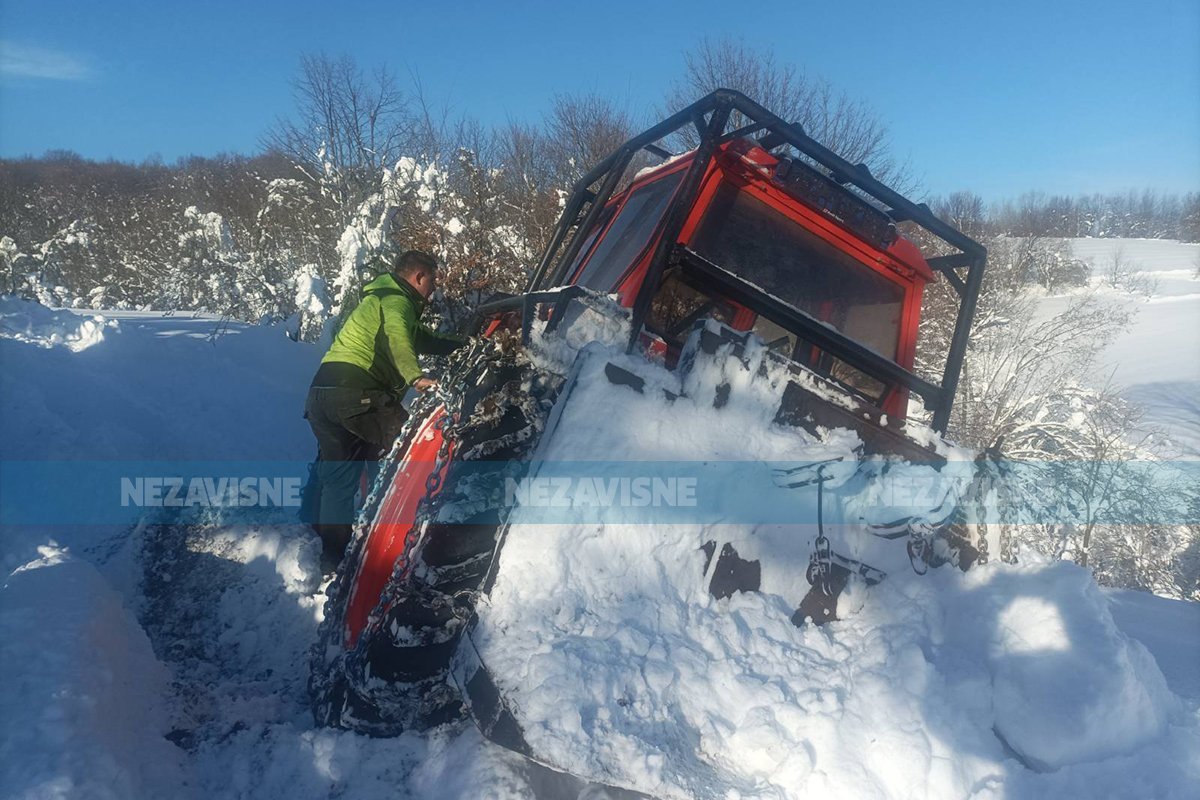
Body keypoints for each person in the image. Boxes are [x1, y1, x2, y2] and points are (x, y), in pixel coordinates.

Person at [303, 249, 468, 570]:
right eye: (432, 280)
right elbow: (398, 340)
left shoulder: (377, 301)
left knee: (339, 480)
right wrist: (414, 376)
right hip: (357, 393)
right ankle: (399, 546)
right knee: (412, 453)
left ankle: (330, 557)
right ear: (419, 277)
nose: (434, 288)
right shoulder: (397, 302)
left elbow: (421, 338)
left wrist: (464, 344)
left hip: (321, 395)